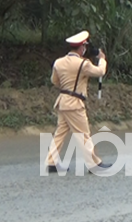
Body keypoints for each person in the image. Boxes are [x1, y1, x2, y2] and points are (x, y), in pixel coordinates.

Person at [45, 30, 112, 174]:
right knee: (83, 134)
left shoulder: (59, 62)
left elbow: (54, 81)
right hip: (75, 103)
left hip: (63, 101)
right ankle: (93, 164)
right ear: (82, 48)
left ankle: (52, 162)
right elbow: (100, 72)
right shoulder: (83, 64)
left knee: (60, 133)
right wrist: (102, 60)